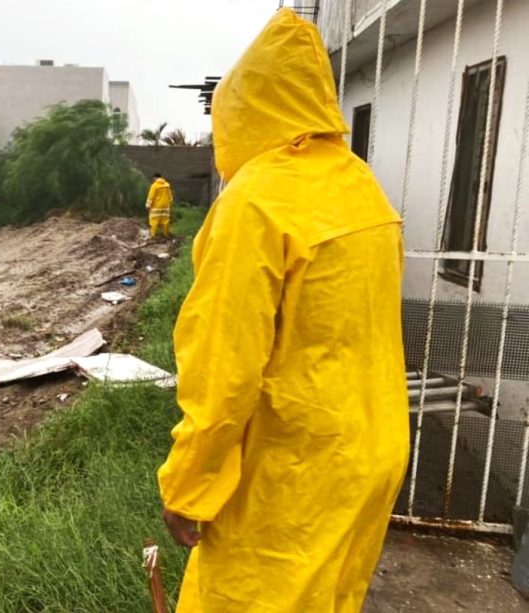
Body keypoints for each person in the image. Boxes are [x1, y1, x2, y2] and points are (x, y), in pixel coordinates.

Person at [157, 8, 409, 612]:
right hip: (374, 453)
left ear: (243, 110)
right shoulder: (360, 184)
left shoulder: (257, 200)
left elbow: (224, 368)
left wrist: (189, 486)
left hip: (294, 465)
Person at [146, 172, 173, 239]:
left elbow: (151, 196)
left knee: (154, 220)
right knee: (165, 220)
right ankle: (166, 234)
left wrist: (148, 205)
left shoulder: (154, 186)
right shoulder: (167, 185)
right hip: (166, 206)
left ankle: (153, 235)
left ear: (155, 178)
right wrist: (170, 203)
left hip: (156, 206)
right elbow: (170, 196)